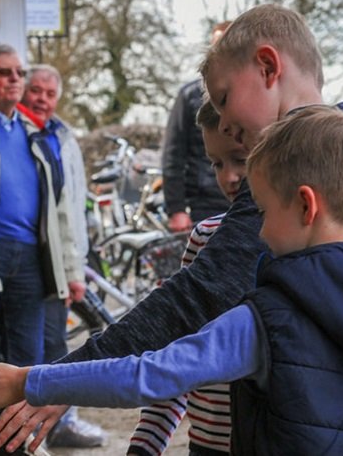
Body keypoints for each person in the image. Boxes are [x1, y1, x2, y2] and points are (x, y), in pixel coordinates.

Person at [0, 3, 343, 456]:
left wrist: (42, 380)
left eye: (225, 97)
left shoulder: (269, 317)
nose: (227, 127)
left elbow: (176, 335)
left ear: (269, 66)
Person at [0, 106, 343, 454]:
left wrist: (29, 381)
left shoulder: (266, 319)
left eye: (260, 210)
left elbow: (152, 375)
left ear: (304, 205)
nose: (252, 226)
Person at [0, 44, 81, 367]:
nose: (14, 79)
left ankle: (25, 420)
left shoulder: (37, 134)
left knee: (28, 358)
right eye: (4, 72)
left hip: (31, 258)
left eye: (19, 73)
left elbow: (60, 210)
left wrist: (70, 271)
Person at [129, 101, 245, 456]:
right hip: (207, 445)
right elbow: (180, 355)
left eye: (240, 159)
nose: (228, 177)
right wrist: (145, 447)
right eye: (216, 163)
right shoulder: (204, 238)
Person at [19, 64, 108, 448]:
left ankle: (60, 421)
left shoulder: (64, 135)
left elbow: (71, 203)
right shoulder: (15, 133)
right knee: (27, 345)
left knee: (56, 344)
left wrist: (76, 263)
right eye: (35, 90)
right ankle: (25, 427)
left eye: (49, 93)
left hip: (63, 259)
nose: (42, 99)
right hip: (29, 255)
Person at [163, 22, 234, 232]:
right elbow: (173, 154)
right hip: (204, 203)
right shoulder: (189, 96)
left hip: (248, 197)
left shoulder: (258, 93)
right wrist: (176, 209)